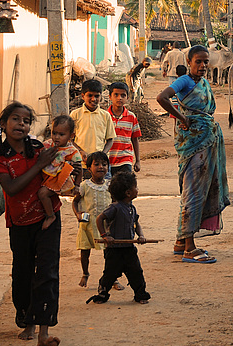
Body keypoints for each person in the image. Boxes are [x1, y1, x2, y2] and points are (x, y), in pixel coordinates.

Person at [0, 101, 61, 346]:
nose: (21, 124)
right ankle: (27, 321)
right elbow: (12, 188)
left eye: (26, 121)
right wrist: (39, 165)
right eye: (16, 119)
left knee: (47, 272)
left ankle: (44, 332)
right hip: (19, 221)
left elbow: (55, 174)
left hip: (48, 216)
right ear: (4, 124)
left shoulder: (38, 148)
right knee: (23, 273)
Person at [156, 45, 229, 263]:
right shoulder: (185, 81)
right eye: (198, 61)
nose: (203, 65)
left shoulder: (204, 83)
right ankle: (189, 246)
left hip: (207, 138)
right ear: (189, 62)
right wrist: (181, 117)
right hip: (192, 142)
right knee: (194, 191)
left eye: (206, 62)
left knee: (200, 189)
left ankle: (181, 241)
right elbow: (162, 98)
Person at [89, 171, 151, 305]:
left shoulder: (132, 208)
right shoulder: (115, 207)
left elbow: (136, 224)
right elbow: (100, 218)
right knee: (110, 274)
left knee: (136, 272)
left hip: (129, 248)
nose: (137, 190)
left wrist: (141, 236)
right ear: (128, 193)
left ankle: (140, 294)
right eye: (136, 187)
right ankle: (102, 293)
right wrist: (105, 236)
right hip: (114, 250)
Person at [71, 151, 116, 289]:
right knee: (85, 252)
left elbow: (115, 203)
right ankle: (85, 274)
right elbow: (75, 201)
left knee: (109, 253)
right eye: (96, 164)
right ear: (89, 168)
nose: (101, 167)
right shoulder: (85, 185)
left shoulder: (110, 185)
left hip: (105, 226)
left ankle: (112, 278)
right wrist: (78, 214)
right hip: (88, 225)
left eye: (104, 164)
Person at [36, 115, 81, 230]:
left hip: (60, 181)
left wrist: (77, 185)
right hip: (48, 177)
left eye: (61, 135)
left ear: (71, 136)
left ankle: (51, 216)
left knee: (42, 193)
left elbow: (79, 169)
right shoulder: (48, 145)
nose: (56, 137)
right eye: (54, 133)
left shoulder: (71, 151)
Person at [70, 78, 116, 176]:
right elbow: (70, 140)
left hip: (101, 165)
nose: (93, 99)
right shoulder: (75, 115)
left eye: (96, 96)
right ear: (83, 96)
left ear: (101, 96)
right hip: (81, 164)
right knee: (82, 189)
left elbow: (110, 140)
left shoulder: (105, 115)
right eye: (90, 95)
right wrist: (81, 152)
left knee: (103, 189)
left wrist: (102, 155)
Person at [107, 82, 142, 176]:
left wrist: (138, 161)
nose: (119, 98)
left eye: (123, 95)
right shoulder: (104, 116)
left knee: (125, 186)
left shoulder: (131, 117)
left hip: (125, 159)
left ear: (127, 97)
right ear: (110, 97)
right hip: (108, 159)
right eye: (116, 95)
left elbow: (135, 139)